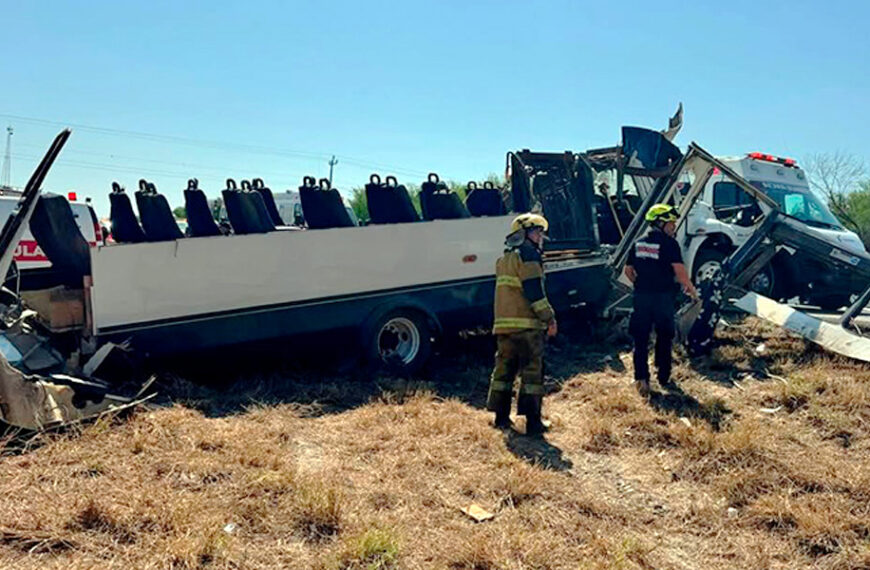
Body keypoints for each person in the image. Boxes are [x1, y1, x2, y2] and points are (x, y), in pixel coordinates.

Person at [487, 213, 558, 435]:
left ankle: (500, 418)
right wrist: (549, 318)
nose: (541, 236)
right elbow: (534, 291)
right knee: (532, 374)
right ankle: (534, 423)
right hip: (527, 327)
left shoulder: (504, 259)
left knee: (504, 372)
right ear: (524, 234)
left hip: (504, 327)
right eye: (537, 231)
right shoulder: (529, 256)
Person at [624, 204, 698, 397]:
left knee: (640, 338)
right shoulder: (669, 244)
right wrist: (692, 291)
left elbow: (628, 271)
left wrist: (642, 284)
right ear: (659, 222)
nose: (674, 227)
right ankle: (663, 376)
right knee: (665, 336)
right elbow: (680, 273)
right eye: (671, 223)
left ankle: (641, 379)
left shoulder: (638, 242)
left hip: (641, 297)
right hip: (663, 298)